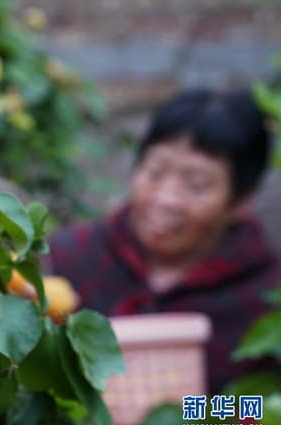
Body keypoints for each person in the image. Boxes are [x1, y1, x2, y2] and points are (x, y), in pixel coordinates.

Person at [47, 88, 280, 395]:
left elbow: (265, 418)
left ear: (241, 200)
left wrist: (191, 420)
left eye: (196, 185)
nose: (166, 199)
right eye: (155, 172)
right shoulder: (69, 257)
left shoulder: (266, 294)